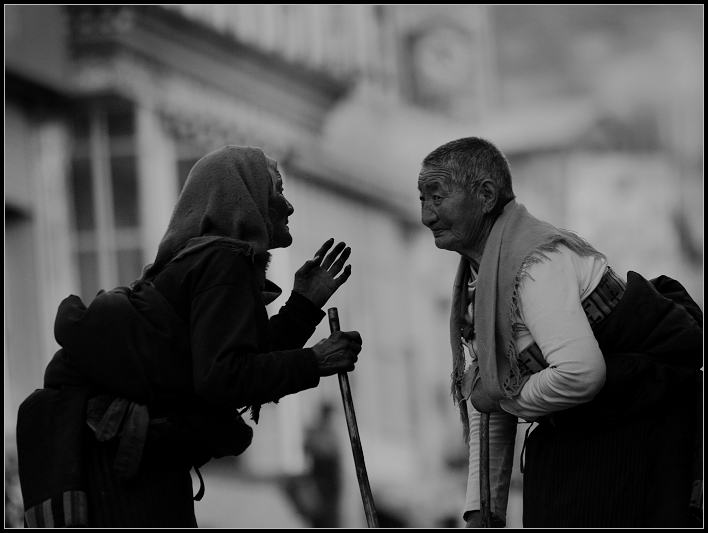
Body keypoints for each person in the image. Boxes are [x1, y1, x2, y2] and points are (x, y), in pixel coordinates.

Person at [16, 145, 363, 527]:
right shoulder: (225, 259)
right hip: (129, 473)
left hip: (119, 462)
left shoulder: (199, 261)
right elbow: (224, 377)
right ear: (245, 197)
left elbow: (240, 364)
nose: (289, 206)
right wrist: (315, 361)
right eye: (278, 190)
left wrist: (302, 306)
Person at [417, 137, 702, 528]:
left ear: (485, 195)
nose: (426, 216)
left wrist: (505, 400)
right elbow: (493, 390)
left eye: (436, 198)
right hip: (582, 445)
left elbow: (579, 374)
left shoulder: (536, 263)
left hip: (634, 443)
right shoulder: (483, 278)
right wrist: (483, 511)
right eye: (423, 200)